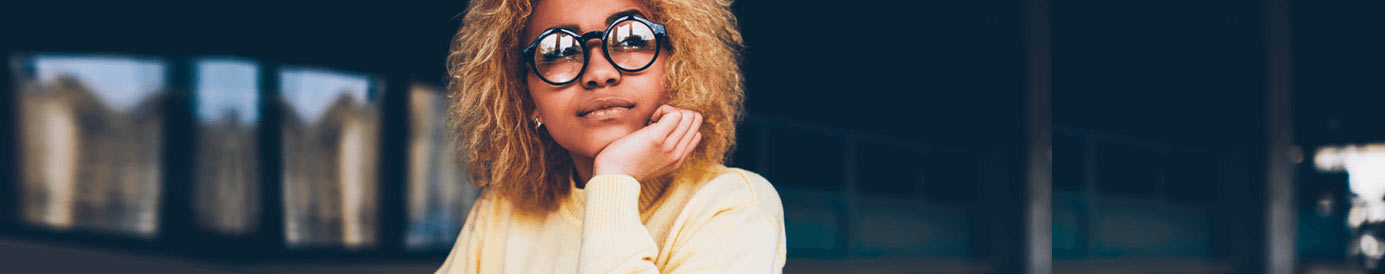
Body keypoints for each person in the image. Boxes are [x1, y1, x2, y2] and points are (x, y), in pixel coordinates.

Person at [435, 0, 785, 273]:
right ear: (526, 97)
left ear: (678, 64)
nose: (599, 72)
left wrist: (615, 177)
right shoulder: (502, 211)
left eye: (631, 39)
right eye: (558, 51)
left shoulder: (731, 204)